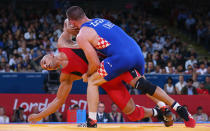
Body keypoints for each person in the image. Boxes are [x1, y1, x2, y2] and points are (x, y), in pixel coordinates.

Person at [66, 6, 195, 127]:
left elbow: (95, 63)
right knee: (144, 85)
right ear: (84, 14)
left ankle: (91, 121)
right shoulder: (101, 20)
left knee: (92, 81)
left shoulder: (82, 35)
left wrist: (87, 74)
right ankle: (174, 107)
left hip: (120, 58)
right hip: (136, 52)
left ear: (72, 22)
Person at [28, 19, 172, 127]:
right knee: (131, 113)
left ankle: (165, 106)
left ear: (49, 54)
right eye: (44, 68)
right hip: (105, 80)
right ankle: (157, 112)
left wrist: (69, 24)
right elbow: (58, 100)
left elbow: (69, 22)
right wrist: (38, 116)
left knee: (141, 83)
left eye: (43, 61)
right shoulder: (66, 76)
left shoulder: (63, 43)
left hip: (112, 64)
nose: (45, 66)